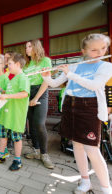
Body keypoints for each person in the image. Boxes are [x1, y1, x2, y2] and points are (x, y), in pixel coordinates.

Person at [42, 33, 112, 194]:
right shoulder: (74, 66)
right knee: (76, 145)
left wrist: (70, 74)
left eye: (103, 48)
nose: (100, 52)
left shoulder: (106, 66)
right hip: (70, 106)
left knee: (92, 149)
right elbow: (54, 83)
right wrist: (46, 77)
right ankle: (85, 181)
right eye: (94, 50)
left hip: (89, 108)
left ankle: (106, 188)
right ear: (84, 50)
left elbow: (94, 85)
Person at [0, 53, 30, 171]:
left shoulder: (23, 77)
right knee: (3, 135)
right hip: (7, 113)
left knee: (16, 138)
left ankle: (18, 160)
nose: (8, 66)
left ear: (17, 64)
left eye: (10, 64)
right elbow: (8, 91)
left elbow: (24, 93)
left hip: (16, 114)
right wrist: (0, 89)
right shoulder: (13, 78)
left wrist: (7, 95)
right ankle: (0, 156)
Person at [23, 39, 54, 169]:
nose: (27, 49)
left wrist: (36, 97)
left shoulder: (45, 61)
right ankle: (36, 151)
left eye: (29, 46)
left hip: (41, 92)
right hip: (28, 93)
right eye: (26, 47)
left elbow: (46, 81)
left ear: (36, 47)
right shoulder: (26, 64)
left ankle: (44, 154)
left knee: (40, 123)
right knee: (32, 124)